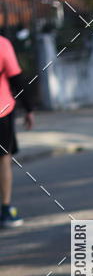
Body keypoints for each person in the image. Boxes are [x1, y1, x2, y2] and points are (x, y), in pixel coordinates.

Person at [0, 33, 34, 228]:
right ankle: (6, 210)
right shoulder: (2, 44)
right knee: (3, 158)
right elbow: (16, 79)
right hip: (2, 110)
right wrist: (29, 109)